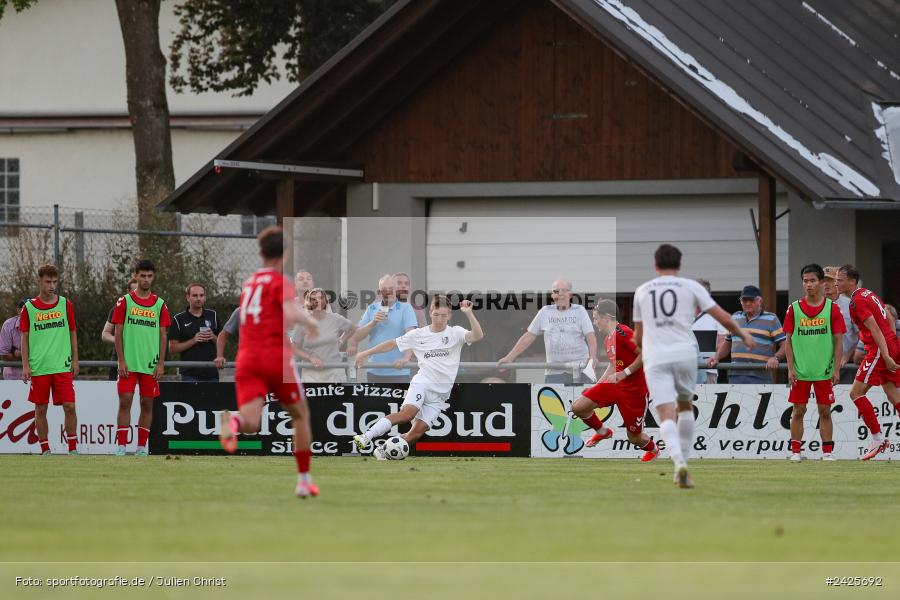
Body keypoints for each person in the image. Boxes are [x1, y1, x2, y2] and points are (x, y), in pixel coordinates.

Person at [633, 244, 753, 489]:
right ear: (680, 265)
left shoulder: (642, 291)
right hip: (685, 354)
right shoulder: (691, 286)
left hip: (656, 356)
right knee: (685, 408)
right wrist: (743, 335)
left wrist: (641, 347)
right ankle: (685, 461)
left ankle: (679, 464)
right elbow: (724, 317)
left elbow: (638, 336)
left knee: (666, 414)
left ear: (655, 266)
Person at [219, 226, 321, 498]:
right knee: (300, 415)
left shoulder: (249, 283)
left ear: (261, 252)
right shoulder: (281, 281)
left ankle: (235, 423)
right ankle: (303, 480)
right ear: (285, 255)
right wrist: (311, 321)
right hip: (274, 357)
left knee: (252, 423)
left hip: (247, 359)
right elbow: (289, 312)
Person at [352, 296, 483, 458]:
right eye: (436, 315)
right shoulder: (418, 334)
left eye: (444, 315)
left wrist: (469, 314)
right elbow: (392, 344)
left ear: (449, 315)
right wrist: (365, 353)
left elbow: (477, 336)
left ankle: (382, 451)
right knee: (407, 415)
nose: (440, 319)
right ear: (430, 313)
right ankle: (366, 437)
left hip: (441, 394)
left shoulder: (456, 332)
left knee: (414, 435)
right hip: (422, 383)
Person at [570, 299, 659, 462]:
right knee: (578, 407)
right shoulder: (607, 339)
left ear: (607, 317)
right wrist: (598, 385)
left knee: (634, 438)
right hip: (615, 385)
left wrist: (625, 373)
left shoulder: (623, 333)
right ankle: (603, 431)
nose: (595, 322)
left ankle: (653, 449)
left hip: (634, 391)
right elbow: (613, 365)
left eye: (596, 318)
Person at [835, 264, 900, 460]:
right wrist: (891, 342)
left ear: (852, 281)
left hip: (880, 350)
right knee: (894, 396)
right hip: (891, 343)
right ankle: (878, 438)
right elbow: (888, 317)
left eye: (840, 279)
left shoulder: (856, 301)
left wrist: (885, 354)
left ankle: (878, 438)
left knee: (855, 393)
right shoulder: (868, 293)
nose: (837, 283)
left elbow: (875, 329)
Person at [783, 264, 845, 461]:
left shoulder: (832, 309)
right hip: (801, 370)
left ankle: (827, 453)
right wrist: (791, 368)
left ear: (821, 282)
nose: (808, 285)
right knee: (798, 410)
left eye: (812, 281)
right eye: (805, 281)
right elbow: (788, 341)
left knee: (825, 410)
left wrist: (836, 369)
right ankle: (795, 452)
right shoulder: (793, 309)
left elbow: (838, 341)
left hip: (824, 370)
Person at [111, 259, 170, 456]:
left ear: (153, 277)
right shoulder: (124, 301)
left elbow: (163, 336)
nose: (145, 279)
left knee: (146, 403)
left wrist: (161, 363)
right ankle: (121, 446)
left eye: (149, 276)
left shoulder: (160, 304)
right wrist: (121, 360)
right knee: (125, 401)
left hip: (150, 365)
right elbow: (117, 333)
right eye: (142, 276)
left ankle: (141, 447)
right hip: (128, 364)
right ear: (135, 276)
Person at [19, 265, 79, 455]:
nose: (52, 285)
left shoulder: (65, 304)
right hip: (40, 367)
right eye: (48, 282)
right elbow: (24, 338)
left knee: (69, 406)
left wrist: (75, 360)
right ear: (39, 281)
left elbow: (72, 332)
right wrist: (26, 365)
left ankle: (72, 448)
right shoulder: (29, 308)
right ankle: (45, 449)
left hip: (62, 365)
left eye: (54, 282)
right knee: (41, 408)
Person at [497, 277, 598, 384]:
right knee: (555, 401)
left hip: (582, 369)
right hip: (555, 372)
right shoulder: (545, 312)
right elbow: (528, 337)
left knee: (586, 401)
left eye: (564, 290)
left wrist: (593, 357)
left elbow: (590, 336)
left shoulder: (579, 311)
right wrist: (509, 357)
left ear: (571, 294)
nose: (560, 294)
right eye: (556, 291)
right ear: (552, 295)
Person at [708, 285, 785, 384]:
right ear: (740, 301)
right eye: (744, 300)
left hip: (761, 377)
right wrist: (716, 357)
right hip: (735, 376)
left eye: (751, 300)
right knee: (734, 400)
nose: (748, 303)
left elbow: (785, 344)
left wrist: (776, 358)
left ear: (760, 301)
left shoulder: (771, 319)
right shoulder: (735, 317)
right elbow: (727, 344)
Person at [352, 274, 417, 383]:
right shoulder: (372, 308)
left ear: (396, 290)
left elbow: (411, 336)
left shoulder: (406, 308)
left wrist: (406, 358)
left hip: (398, 371)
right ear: (379, 292)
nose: (388, 292)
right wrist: (373, 322)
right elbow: (357, 336)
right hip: (374, 370)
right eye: (384, 289)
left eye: (391, 289)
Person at [292, 288, 356, 383]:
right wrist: (310, 357)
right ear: (309, 302)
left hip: (335, 372)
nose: (317, 301)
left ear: (325, 301)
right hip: (311, 374)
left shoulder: (335, 319)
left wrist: (341, 340)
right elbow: (294, 348)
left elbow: (352, 328)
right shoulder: (302, 322)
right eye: (313, 299)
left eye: (320, 298)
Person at [169, 283, 222, 382]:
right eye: (195, 295)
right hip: (189, 374)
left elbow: (223, 343)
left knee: (212, 398)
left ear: (205, 297)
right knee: (191, 398)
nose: (198, 298)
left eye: (201, 295)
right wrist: (193, 340)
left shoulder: (213, 315)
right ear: (187, 297)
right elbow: (172, 349)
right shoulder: (178, 319)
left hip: (211, 373)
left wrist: (213, 337)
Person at [823, 266, 858, 383]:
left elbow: (862, 335)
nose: (826, 284)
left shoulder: (851, 304)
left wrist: (848, 355)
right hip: (822, 365)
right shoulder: (815, 305)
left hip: (846, 366)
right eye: (823, 281)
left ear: (837, 282)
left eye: (830, 280)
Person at [102, 279, 138, 381]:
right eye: (133, 291)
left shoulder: (151, 310)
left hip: (141, 359)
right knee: (115, 394)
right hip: (118, 359)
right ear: (128, 291)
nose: (137, 294)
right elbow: (105, 335)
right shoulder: (117, 308)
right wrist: (118, 339)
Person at [691, 278, 720, 384]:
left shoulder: (717, 316)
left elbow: (724, 343)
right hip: (685, 371)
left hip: (708, 369)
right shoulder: (682, 315)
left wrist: (715, 357)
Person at [0, 299, 26, 381]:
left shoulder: (40, 325)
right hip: (12, 377)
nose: (28, 313)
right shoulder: (8, 325)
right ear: (19, 310)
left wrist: (15, 352)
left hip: (36, 377)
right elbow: (4, 355)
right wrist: (25, 356)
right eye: (25, 309)